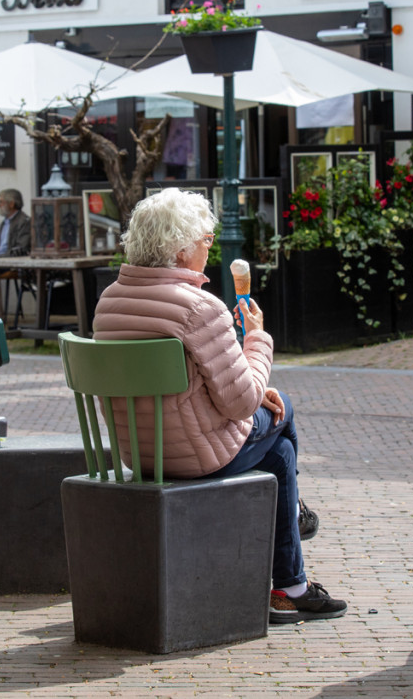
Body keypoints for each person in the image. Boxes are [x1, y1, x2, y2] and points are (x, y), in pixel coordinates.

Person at [93, 187, 346, 624]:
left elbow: (185, 391)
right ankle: (293, 554)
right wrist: (257, 340)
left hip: (138, 455)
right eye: (206, 240)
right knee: (282, 407)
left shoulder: (108, 302)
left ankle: (291, 585)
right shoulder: (199, 307)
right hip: (198, 458)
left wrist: (247, 378)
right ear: (181, 245)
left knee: (280, 454)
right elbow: (242, 402)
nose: (210, 249)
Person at [0, 188, 31, 256]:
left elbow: (20, 249)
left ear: (11, 204)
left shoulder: (24, 222)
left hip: (12, 263)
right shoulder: (3, 223)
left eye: (1, 202)